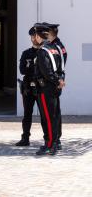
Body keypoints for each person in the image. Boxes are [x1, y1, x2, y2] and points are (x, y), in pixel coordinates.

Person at [33, 24, 64, 155]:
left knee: (48, 117)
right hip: (55, 87)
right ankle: (54, 141)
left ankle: (51, 143)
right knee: (55, 115)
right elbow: (61, 68)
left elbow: (46, 71)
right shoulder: (56, 48)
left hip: (46, 88)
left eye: (35, 35)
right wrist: (60, 80)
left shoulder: (42, 51)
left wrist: (56, 80)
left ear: (38, 36)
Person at [16, 27, 41, 146]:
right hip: (28, 88)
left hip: (41, 87)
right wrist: (33, 67)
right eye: (32, 36)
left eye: (36, 36)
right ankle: (25, 138)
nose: (34, 38)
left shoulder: (44, 52)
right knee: (27, 114)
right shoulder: (26, 53)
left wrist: (31, 67)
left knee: (45, 114)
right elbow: (22, 70)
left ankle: (49, 139)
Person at [44, 22, 67, 151]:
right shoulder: (58, 45)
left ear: (50, 34)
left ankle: (56, 139)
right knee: (55, 112)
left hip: (54, 82)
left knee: (54, 113)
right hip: (58, 81)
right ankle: (56, 138)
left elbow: (61, 65)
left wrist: (60, 79)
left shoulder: (56, 46)